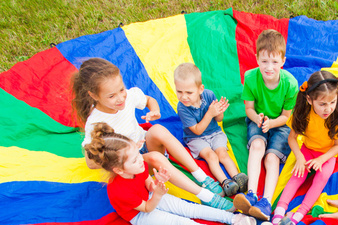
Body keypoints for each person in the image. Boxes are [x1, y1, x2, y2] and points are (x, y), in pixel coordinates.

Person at [71, 58, 231, 211]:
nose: (121, 98)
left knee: (158, 130)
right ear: (93, 95)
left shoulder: (128, 96)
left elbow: (149, 100)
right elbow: (91, 163)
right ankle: (205, 195)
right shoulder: (95, 122)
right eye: (112, 96)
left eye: (121, 90)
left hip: (144, 145)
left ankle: (202, 177)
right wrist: (124, 152)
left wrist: (155, 110)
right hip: (130, 164)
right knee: (156, 158)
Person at [85, 123, 255, 225]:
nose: (141, 159)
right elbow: (147, 208)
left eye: (138, 154)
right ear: (119, 170)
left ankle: (232, 218)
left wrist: (155, 183)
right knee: (180, 223)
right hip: (141, 214)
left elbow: (147, 183)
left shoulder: (139, 165)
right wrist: (158, 193)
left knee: (189, 208)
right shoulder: (118, 191)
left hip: (151, 195)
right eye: (134, 159)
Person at [232, 29, 298, 221]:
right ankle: (251, 193)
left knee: (271, 158)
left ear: (283, 61)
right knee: (257, 145)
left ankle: (266, 202)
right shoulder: (252, 77)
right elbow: (249, 109)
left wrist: (272, 123)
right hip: (258, 119)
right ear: (257, 59)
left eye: (275, 62)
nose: (269, 67)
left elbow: (286, 117)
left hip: (279, 123)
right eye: (264, 61)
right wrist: (258, 119)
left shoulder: (290, 84)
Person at [271, 70, 338, 225]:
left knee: (321, 177)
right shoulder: (303, 112)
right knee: (297, 174)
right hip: (307, 150)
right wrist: (299, 157)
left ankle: (300, 213)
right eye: (322, 104)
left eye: (332, 102)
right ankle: (280, 210)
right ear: (309, 99)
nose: (328, 109)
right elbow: (292, 138)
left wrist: (321, 159)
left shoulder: (337, 115)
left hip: (326, 155)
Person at [174, 63, 249, 197]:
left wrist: (219, 111)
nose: (183, 97)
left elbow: (219, 119)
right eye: (179, 91)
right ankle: (225, 182)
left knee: (222, 153)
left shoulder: (209, 95)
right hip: (195, 138)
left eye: (189, 92)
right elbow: (197, 130)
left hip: (214, 133)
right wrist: (210, 113)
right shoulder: (182, 108)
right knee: (211, 156)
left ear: (200, 89)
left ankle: (237, 177)